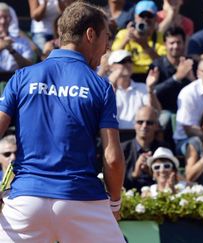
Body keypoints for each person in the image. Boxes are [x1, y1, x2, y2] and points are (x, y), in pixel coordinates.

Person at [0, 2, 126, 242]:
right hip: (82, 199)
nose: (107, 48)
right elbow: (112, 158)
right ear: (91, 34)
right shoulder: (100, 86)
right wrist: (115, 202)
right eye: (106, 38)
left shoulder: (22, 77)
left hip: (25, 202)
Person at [107, 49, 161, 129]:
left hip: (137, 135)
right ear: (111, 67)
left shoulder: (143, 87)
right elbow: (102, 112)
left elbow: (156, 112)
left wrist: (150, 90)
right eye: (122, 61)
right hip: (114, 135)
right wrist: (112, 85)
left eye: (129, 61)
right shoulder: (103, 88)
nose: (127, 64)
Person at [152, 26, 194, 128]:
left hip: (189, 110)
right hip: (164, 111)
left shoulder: (192, 64)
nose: (175, 46)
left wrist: (191, 78)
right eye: (171, 43)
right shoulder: (157, 65)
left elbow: (201, 90)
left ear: (184, 44)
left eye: (179, 43)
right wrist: (176, 77)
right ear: (165, 44)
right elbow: (154, 92)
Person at [122, 105, 170, 191]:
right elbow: (115, 183)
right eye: (140, 122)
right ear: (134, 124)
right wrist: (134, 174)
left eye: (149, 123)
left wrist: (152, 173)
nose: (144, 126)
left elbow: (169, 181)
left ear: (156, 126)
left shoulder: (164, 149)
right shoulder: (123, 149)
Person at [111, 0, 166, 74]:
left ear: (155, 18)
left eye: (149, 16)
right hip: (128, 75)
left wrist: (144, 45)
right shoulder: (124, 34)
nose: (146, 19)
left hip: (151, 74)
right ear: (135, 17)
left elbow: (163, 64)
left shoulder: (160, 37)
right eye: (142, 15)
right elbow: (112, 59)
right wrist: (126, 39)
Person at [0, 3, 34, 72]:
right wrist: (1, 47)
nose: (3, 21)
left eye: (6, 17)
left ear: (10, 18)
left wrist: (12, 51)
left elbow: (29, 66)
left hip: (15, 77)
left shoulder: (22, 41)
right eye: (0, 17)